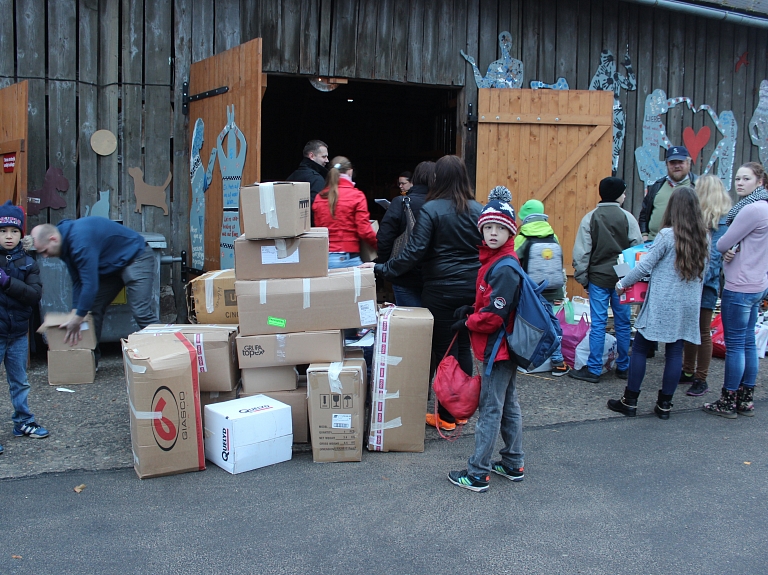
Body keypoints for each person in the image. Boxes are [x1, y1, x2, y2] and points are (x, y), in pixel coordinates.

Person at [367, 155, 483, 431]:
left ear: (438, 178)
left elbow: (413, 253)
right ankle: (461, 410)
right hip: (472, 289)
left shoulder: (432, 210)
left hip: (440, 290)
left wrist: (381, 268)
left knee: (444, 351)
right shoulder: (479, 210)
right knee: (463, 346)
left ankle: (446, 416)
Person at [608, 186, 709, 419]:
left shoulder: (666, 235)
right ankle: (665, 405)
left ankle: (630, 401)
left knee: (641, 348)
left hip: (663, 301)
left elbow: (645, 266)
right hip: (688, 303)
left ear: (673, 208)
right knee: (675, 351)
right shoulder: (704, 237)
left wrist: (623, 283)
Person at [447, 193, 523, 492]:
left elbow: (494, 315)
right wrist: (471, 310)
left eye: (500, 228)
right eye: (489, 227)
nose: (493, 233)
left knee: (491, 408)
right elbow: (491, 304)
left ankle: (478, 473)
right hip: (505, 346)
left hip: (498, 349)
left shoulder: (503, 265)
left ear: (510, 232)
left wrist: (468, 321)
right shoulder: (496, 261)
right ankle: (513, 461)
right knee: (509, 404)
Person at [31, 218, 159, 357]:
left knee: (141, 312)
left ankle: (168, 351)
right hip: (111, 266)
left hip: (136, 256)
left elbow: (90, 284)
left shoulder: (80, 242)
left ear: (53, 239)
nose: (45, 256)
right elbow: (77, 281)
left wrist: (78, 317)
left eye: (44, 250)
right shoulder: (63, 244)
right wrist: (76, 311)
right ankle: (89, 362)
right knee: (91, 309)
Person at [703, 162, 768, 418]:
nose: (740, 183)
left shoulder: (751, 210)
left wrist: (730, 247)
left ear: (759, 182)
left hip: (740, 284)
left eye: (746, 179)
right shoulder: (764, 208)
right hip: (757, 283)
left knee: (736, 345)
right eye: (738, 178)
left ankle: (728, 399)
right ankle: (745, 399)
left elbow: (723, 243)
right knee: (748, 342)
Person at [570, 177, 642, 383]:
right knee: (623, 323)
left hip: (598, 277)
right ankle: (623, 366)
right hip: (623, 276)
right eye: (624, 192)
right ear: (618, 195)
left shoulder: (590, 218)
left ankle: (593, 369)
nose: (625, 195)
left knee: (599, 324)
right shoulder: (628, 218)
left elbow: (581, 254)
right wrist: (632, 277)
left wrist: (583, 278)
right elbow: (637, 248)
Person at [0, 201, 48, 451]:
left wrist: (6, 282)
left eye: (14, 231)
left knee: (19, 381)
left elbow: (34, 294)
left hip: (18, 334)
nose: (9, 236)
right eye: (3, 231)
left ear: (21, 234)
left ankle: (23, 422)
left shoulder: (28, 261)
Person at [680, 175, 732, 397]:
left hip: (705, 286)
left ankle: (701, 378)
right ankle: (687, 371)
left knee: (702, 331)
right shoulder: (700, 221)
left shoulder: (721, 224)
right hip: (694, 283)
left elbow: (714, 261)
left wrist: (696, 283)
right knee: (690, 330)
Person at [514, 199, 569, 376]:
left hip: (531, 290)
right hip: (553, 288)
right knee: (551, 323)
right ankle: (558, 363)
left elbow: (512, 259)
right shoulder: (553, 235)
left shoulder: (523, 237)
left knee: (528, 324)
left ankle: (527, 360)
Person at [376, 161, 434, 307]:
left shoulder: (400, 202)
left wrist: (385, 267)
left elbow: (384, 238)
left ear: (414, 180)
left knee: (409, 324)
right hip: (434, 276)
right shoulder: (443, 205)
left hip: (404, 275)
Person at [313, 156, 377, 269]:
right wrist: (380, 246)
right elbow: (364, 231)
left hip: (325, 259)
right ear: (350, 171)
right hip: (348, 258)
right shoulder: (356, 195)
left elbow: (319, 229)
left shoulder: (320, 196)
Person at [639, 145, 696, 242]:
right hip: (653, 242)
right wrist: (644, 234)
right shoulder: (657, 186)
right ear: (667, 164)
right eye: (673, 163)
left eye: (680, 162)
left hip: (685, 244)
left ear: (688, 163)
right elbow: (644, 213)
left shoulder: (697, 186)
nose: (677, 166)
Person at [286, 140, 330, 206]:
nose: (327, 160)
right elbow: (319, 207)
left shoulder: (292, 176)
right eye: (324, 157)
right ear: (311, 156)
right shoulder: (317, 179)